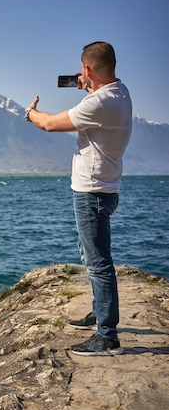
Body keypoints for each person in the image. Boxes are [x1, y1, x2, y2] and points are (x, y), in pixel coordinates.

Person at [25, 41, 132, 356]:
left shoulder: (98, 105)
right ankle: (101, 312)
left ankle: (107, 337)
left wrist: (30, 112)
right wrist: (89, 87)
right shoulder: (120, 93)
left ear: (87, 69)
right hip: (104, 189)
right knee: (91, 256)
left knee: (98, 263)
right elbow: (99, 106)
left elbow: (48, 124)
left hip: (91, 192)